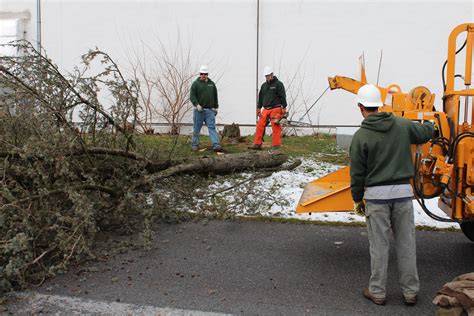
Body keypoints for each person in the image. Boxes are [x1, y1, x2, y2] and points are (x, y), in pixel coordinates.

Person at [350, 84, 434, 306]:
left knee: (379, 247)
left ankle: (377, 292)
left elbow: (357, 173)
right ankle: (410, 293)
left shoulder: (361, 136)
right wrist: (432, 122)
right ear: (379, 105)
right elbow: (426, 133)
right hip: (403, 196)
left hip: (377, 199)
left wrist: (357, 199)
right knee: (406, 244)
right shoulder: (402, 125)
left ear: (360, 107)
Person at [248, 66, 287, 150]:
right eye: (266, 76)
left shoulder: (279, 84)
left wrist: (284, 108)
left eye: (268, 75)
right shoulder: (264, 86)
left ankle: (276, 145)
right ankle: (257, 144)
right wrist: (258, 108)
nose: (267, 77)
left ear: (272, 74)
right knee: (259, 125)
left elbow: (283, 96)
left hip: (276, 108)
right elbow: (260, 98)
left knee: (275, 126)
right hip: (265, 109)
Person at [190, 65, 223, 152]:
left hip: (209, 111)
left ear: (207, 74)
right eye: (202, 74)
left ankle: (216, 145)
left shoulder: (212, 84)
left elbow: (215, 96)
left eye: (205, 74)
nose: (203, 75)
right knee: (196, 128)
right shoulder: (195, 84)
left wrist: (216, 107)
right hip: (199, 111)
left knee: (212, 127)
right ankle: (195, 144)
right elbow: (192, 96)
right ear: (200, 74)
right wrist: (197, 105)